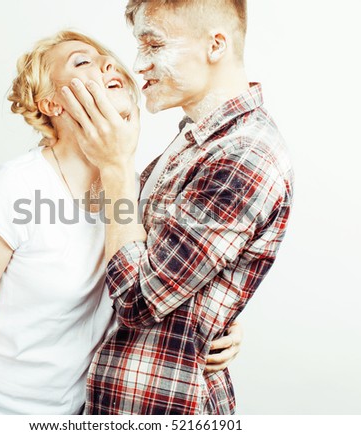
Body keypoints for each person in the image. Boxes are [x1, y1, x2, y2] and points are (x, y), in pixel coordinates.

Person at [0, 30, 242, 415]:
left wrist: (221, 328)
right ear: (52, 104)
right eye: (82, 62)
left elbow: (153, 291)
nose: (109, 63)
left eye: (106, 58)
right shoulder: (13, 189)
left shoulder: (133, 193)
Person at [59, 0, 294, 415]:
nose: (138, 65)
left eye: (153, 45)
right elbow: (151, 257)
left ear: (215, 45)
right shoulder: (200, 138)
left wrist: (115, 167)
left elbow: (137, 299)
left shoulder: (243, 155)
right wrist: (209, 311)